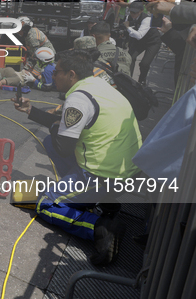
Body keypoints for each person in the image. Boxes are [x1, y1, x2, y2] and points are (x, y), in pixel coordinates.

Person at [13, 49, 142, 266]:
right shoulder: (98, 85)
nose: (52, 76)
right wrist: (31, 110)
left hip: (103, 174)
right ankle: (98, 200)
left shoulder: (77, 99)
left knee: (45, 203)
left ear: (71, 74)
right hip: (127, 171)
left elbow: (63, 147)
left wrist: (58, 125)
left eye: (56, 72)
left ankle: (100, 228)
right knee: (48, 142)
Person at [124, 1, 162, 85]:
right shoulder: (129, 17)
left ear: (141, 11)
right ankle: (128, 80)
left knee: (144, 64)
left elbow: (139, 35)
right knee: (130, 57)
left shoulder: (147, 19)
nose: (132, 14)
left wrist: (127, 27)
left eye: (135, 12)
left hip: (152, 42)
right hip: (140, 42)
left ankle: (141, 81)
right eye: (131, 11)